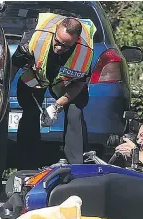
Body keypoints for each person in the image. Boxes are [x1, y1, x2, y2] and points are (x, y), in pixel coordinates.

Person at [11, 13, 96, 170]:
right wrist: (3, 92)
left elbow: (78, 85)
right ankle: (26, 165)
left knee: (74, 112)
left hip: (66, 82)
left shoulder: (85, 52)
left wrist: (56, 106)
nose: (59, 48)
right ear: (55, 31)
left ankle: (76, 166)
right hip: (37, 76)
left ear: (76, 41)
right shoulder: (34, 39)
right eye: (57, 42)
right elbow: (14, 66)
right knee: (30, 113)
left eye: (65, 46)